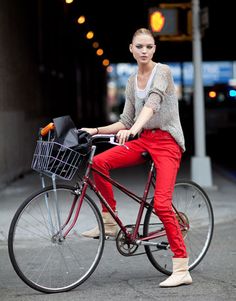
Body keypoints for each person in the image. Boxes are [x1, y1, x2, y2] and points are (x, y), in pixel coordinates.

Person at [81, 28, 192, 287]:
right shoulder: (131, 81)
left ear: (154, 49)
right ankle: (109, 222)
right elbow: (125, 121)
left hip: (167, 143)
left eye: (149, 47)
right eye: (139, 46)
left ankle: (182, 267)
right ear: (131, 48)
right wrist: (95, 130)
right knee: (99, 163)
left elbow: (153, 103)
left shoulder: (162, 72)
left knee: (162, 205)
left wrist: (134, 129)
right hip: (144, 140)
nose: (144, 51)